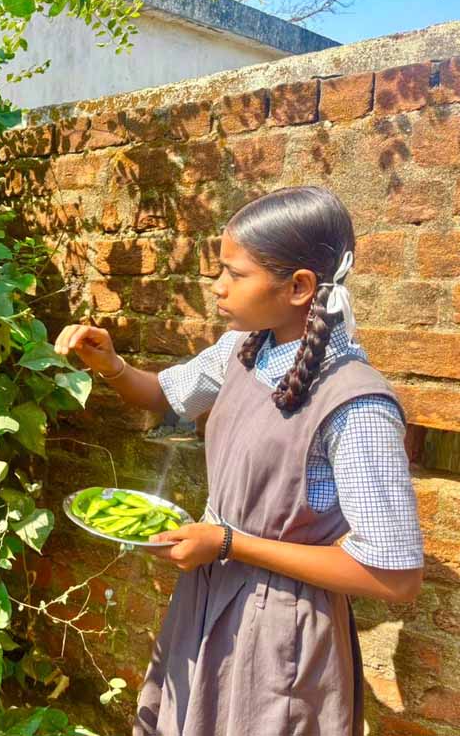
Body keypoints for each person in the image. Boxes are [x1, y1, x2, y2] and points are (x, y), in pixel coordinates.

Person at [54, 186, 424, 736]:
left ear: (298, 287)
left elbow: (395, 576)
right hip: (208, 599)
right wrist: (110, 365)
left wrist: (229, 543)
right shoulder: (246, 348)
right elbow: (164, 395)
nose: (218, 287)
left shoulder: (357, 405)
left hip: (281, 635)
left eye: (234, 273)